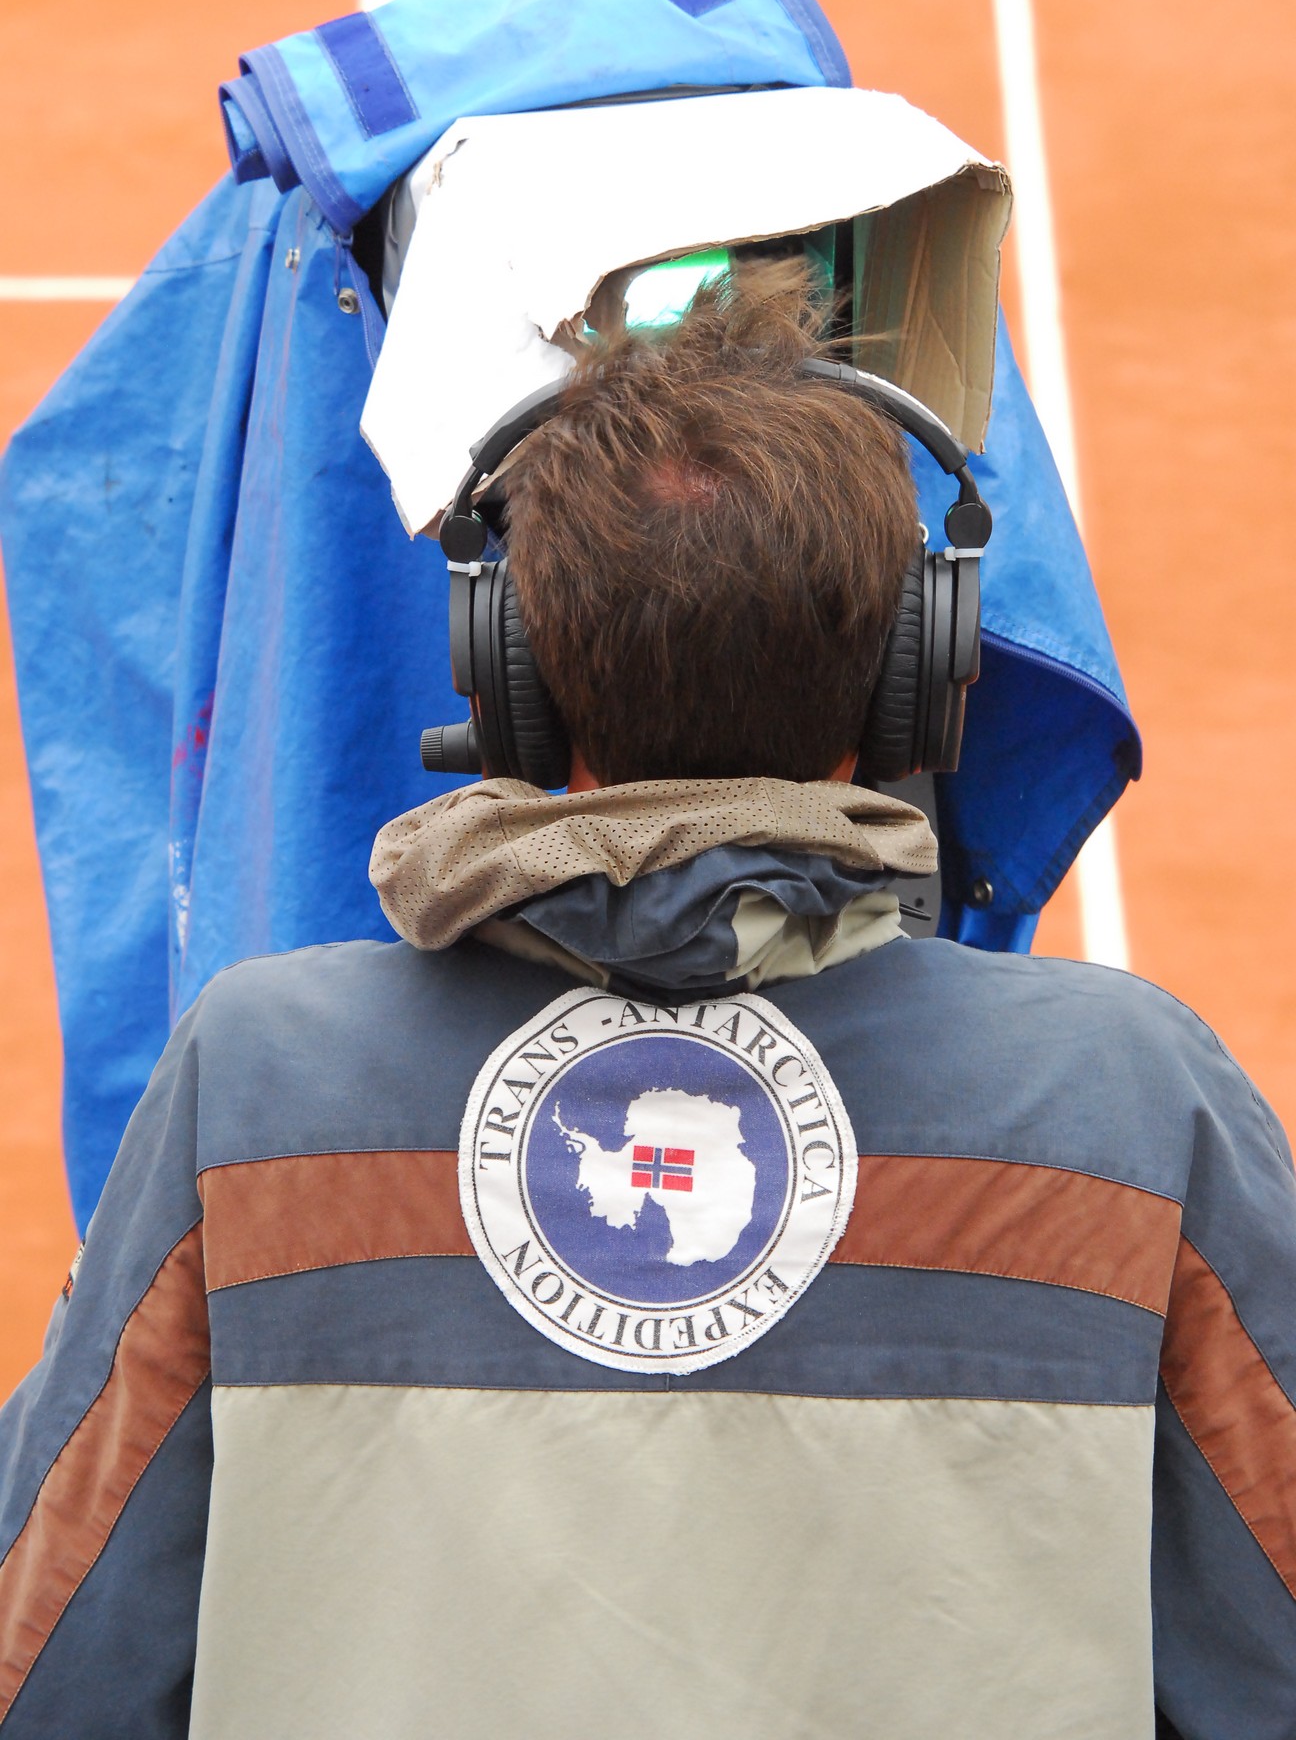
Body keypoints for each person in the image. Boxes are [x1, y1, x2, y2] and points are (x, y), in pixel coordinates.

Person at [0, 266, 1292, 1740]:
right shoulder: (1126, 1097)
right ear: (915, 683)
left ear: (513, 679)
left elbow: (50, 1655)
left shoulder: (258, 1082)